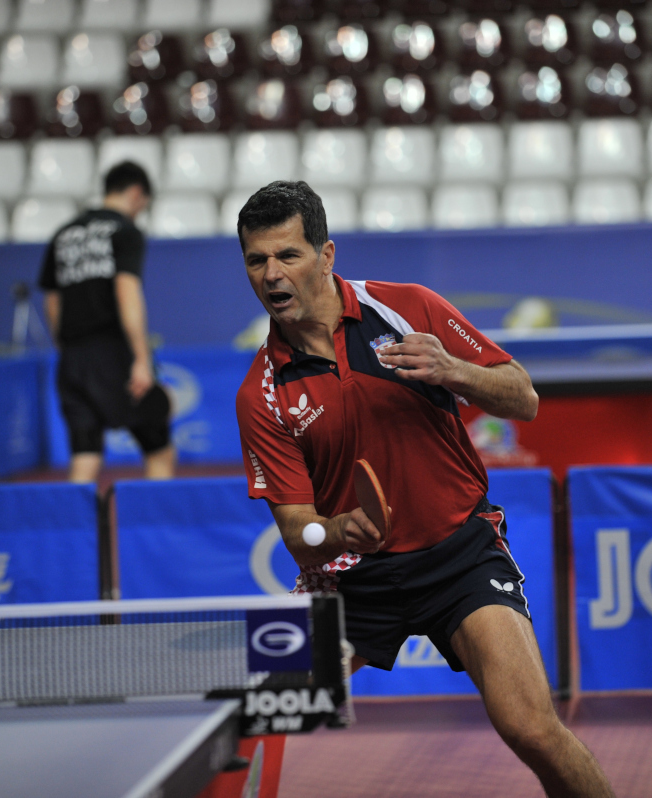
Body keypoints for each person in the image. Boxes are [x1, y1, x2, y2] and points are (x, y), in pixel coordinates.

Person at [234, 181, 615, 798]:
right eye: (257, 260)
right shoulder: (263, 393)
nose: (272, 274)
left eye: (288, 255)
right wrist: (336, 531)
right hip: (355, 579)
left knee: (532, 728)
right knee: (249, 715)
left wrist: (453, 370)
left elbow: (524, 397)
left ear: (326, 255)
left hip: (458, 552)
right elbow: (297, 531)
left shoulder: (406, 308)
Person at [38, 161, 175, 483]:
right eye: (144, 204)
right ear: (137, 193)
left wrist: (67, 347)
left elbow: (52, 299)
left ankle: (74, 531)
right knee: (159, 448)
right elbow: (127, 292)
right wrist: (141, 359)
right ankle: (153, 530)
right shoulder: (125, 231)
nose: (141, 211)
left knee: (84, 457)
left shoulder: (64, 234)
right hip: (113, 354)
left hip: (72, 359)